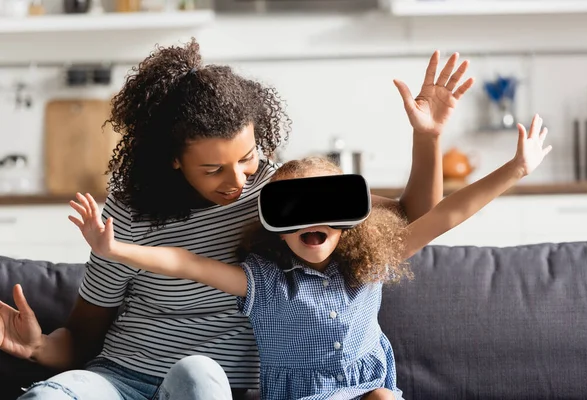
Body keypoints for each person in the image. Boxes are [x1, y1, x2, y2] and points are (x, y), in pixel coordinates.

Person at [0, 37, 475, 400]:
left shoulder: (281, 194)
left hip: (207, 386)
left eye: (247, 158)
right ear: (173, 160)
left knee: (198, 377)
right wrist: (40, 348)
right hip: (120, 377)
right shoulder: (128, 213)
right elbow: (82, 337)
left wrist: (428, 137)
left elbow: (414, 217)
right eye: (213, 169)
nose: (239, 181)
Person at [67, 115, 551, 400]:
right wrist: (113, 249)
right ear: (275, 228)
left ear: (347, 220)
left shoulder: (369, 265)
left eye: (322, 211)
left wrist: (515, 169)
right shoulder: (265, 283)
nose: (309, 225)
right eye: (294, 213)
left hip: (366, 392)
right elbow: (186, 264)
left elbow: (446, 215)